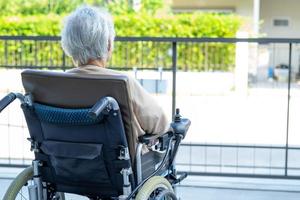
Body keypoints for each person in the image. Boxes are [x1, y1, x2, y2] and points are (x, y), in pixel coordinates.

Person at [61, 6, 169, 141]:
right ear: (108, 45)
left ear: (68, 45)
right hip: (116, 161)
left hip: (62, 160)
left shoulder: (53, 84)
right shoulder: (123, 82)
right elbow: (160, 125)